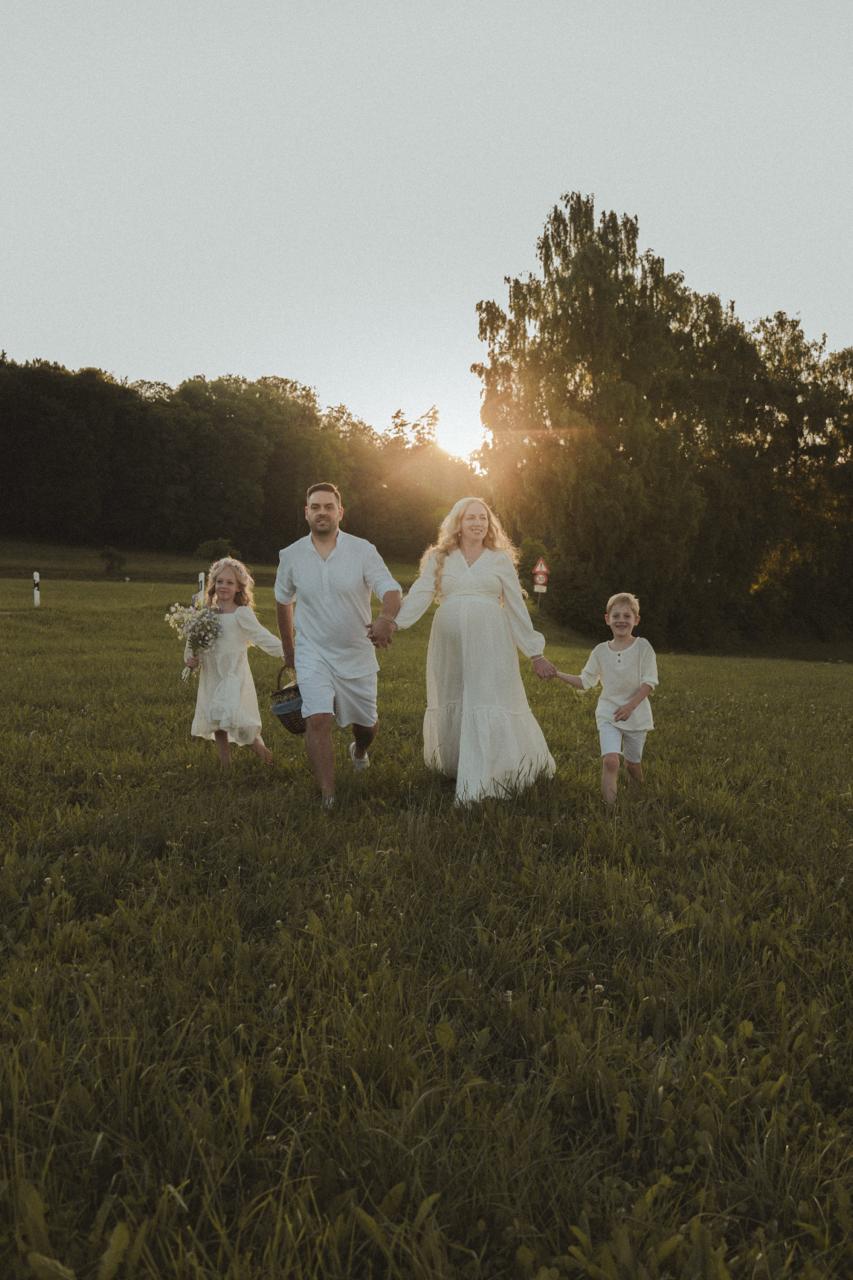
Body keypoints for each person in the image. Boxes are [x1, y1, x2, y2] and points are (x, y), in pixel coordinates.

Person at [382, 496, 556, 805]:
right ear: (457, 523)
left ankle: (489, 774)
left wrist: (535, 652)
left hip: (491, 640)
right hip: (449, 644)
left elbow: (516, 606)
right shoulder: (440, 556)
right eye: (470, 517)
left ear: (490, 525)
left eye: (483, 518)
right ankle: (460, 763)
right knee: (458, 696)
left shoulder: (499, 559)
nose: (478, 522)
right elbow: (422, 593)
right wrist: (395, 623)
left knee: (486, 698)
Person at [275, 483, 402, 809]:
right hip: (312, 652)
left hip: (356, 652)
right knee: (317, 718)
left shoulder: (363, 550)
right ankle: (328, 797)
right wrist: (291, 653)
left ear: (339, 512)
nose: (321, 512)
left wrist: (386, 618)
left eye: (328, 506)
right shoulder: (290, 555)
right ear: (306, 512)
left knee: (366, 725)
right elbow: (282, 602)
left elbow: (389, 589)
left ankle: (359, 750)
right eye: (315, 506)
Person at [551, 591, 658, 806]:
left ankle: (639, 789)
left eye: (627, 616)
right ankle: (611, 812)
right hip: (608, 714)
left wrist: (630, 707)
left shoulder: (643, 647)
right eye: (616, 615)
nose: (621, 620)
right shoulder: (600, 651)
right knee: (611, 761)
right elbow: (585, 681)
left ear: (636, 620)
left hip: (636, 715)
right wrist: (557, 673)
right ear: (607, 619)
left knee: (632, 764)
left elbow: (649, 682)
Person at [185, 557, 284, 769]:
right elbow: (194, 643)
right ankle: (225, 765)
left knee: (239, 722)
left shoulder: (241, 613)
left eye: (229, 582)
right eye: (219, 581)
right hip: (212, 673)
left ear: (239, 587)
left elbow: (261, 636)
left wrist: (289, 652)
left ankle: (267, 757)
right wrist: (191, 660)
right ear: (213, 584)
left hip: (233, 674)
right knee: (217, 721)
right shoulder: (206, 614)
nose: (223, 586)